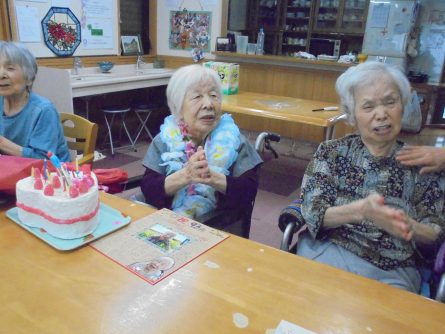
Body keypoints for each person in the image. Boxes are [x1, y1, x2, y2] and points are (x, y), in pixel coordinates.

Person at [294, 61, 445, 293]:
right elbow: (313, 212)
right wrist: (361, 211)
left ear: (403, 106)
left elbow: (435, 233)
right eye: (368, 106)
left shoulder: (422, 164)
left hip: (393, 268)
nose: (381, 114)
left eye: (390, 102)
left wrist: (407, 226)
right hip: (328, 250)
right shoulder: (331, 153)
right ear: (352, 116)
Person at [140, 64, 262, 226]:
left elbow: (248, 192)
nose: (208, 104)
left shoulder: (235, 141)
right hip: (168, 225)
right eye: (197, 97)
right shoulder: (164, 139)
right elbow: (149, 189)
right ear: (178, 106)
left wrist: (211, 177)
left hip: (219, 227)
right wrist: (186, 175)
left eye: (213, 95)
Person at [0, 41, 70, 161]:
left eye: (10, 68)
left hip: (51, 173)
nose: (1, 74)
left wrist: (2, 144)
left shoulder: (43, 110)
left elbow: (43, 159)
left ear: (29, 79)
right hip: (12, 168)